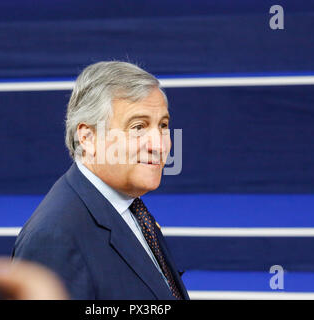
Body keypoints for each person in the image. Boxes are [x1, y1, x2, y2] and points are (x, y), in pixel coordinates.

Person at [12, 61, 189, 300]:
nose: (159, 145)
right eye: (138, 127)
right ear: (87, 137)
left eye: (163, 126)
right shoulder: (55, 238)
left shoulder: (131, 208)